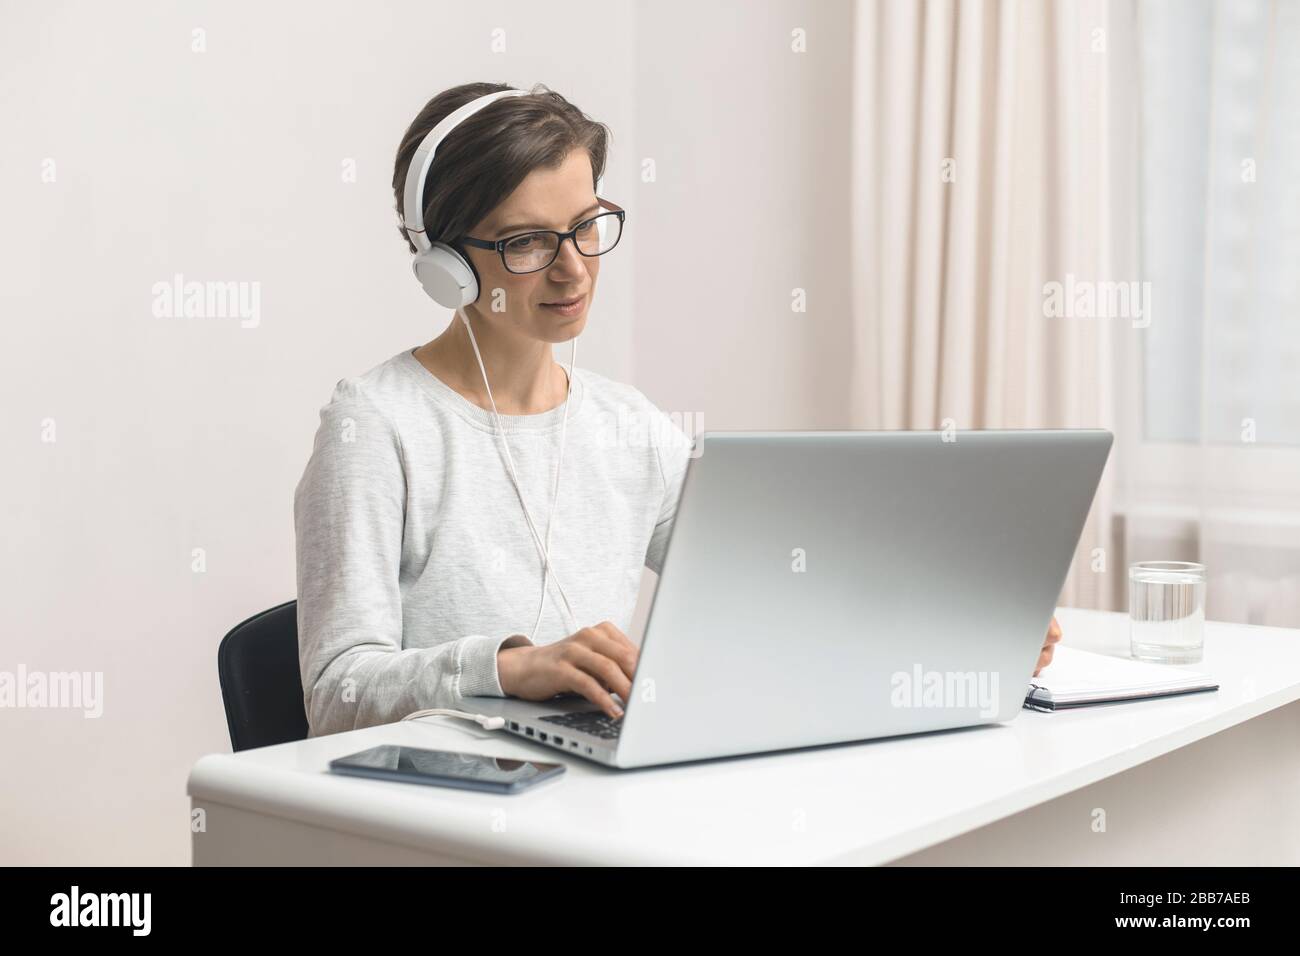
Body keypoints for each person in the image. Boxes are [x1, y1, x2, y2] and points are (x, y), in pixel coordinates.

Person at [293, 81, 1060, 738]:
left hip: (595, 794)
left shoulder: (625, 425)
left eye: (587, 227)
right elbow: (337, 692)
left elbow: (778, 585)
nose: (573, 268)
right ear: (446, 268)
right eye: (529, 241)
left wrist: (960, 633)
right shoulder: (375, 428)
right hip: (446, 818)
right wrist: (509, 667)